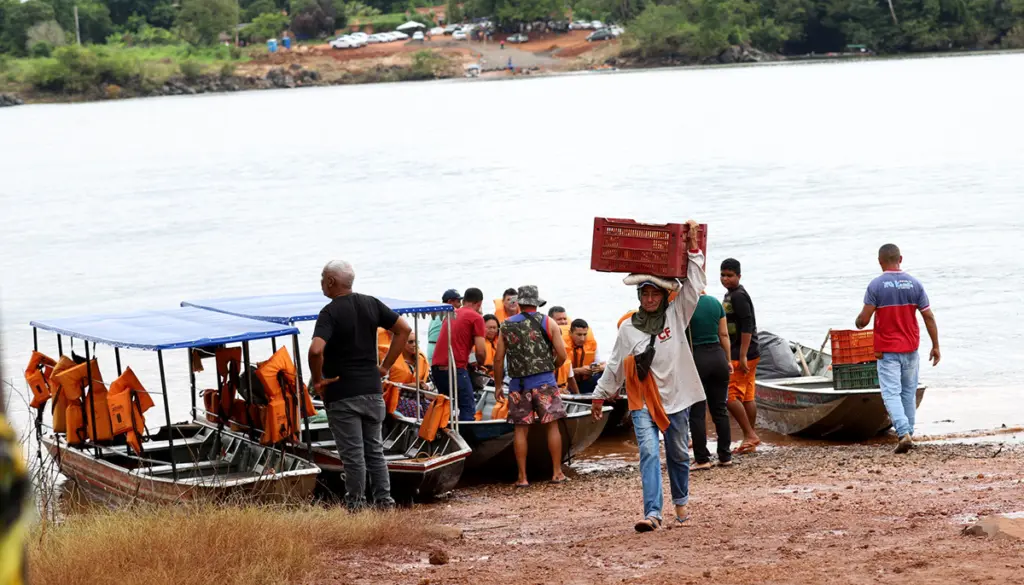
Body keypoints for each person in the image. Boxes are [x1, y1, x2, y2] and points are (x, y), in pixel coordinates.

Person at [592, 220, 706, 532]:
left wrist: (693, 247)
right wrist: (600, 394)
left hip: (677, 396)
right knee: (647, 451)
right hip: (642, 398)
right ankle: (652, 513)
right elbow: (616, 363)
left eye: (655, 294)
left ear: (664, 296)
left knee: (679, 454)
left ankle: (680, 503)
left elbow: (694, 286)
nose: (650, 299)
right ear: (639, 296)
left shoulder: (677, 314)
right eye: (645, 294)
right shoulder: (629, 328)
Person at [308, 260, 411, 511]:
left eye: (322, 278)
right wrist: (384, 367)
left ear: (331, 281)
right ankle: (385, 503)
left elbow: (315, 350)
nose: (321, 282)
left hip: (343, 394)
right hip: (372, 391)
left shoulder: (330, 312)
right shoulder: (371, 303)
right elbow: (404, 329)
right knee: (374, 451)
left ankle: (356, 507)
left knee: (353, 456)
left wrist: (319, 379)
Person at [855, 243, 940, 454]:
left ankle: (903, 433)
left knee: (891, 393)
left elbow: (863, 321)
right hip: (911, 348)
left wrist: (858, 321)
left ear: (880, 262)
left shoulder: (876, 286)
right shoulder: (915, 284)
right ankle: (909, 432)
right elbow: (928, 316)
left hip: (887, 351)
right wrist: (936, 346)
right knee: (908, 393)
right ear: (900, 259)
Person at [494, 285, 569, 487]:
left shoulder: (506, 325)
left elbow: (499, 359)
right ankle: (556, 473)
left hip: (518, 385)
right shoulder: (548, 321)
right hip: (545, 382)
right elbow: (562, 355)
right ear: (536, 302)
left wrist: (498, 385)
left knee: (521, 429)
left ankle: (522, 477)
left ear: (519, 302)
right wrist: (551, 368)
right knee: (552, 426)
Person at [686, 293, 733, 469]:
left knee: (697, 412)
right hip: (718, 357)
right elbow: (724, 334)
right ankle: (725, 456)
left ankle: (702, 459)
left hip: (697, 358)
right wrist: (728, 360)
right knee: (720, 410)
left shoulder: (684, 303)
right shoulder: (714, 303)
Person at [721, 258, 761, 455]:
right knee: (747, 395)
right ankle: (749, 438)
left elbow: (747, 326)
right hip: (748, 352)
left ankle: (750, 435)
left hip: (741, 353)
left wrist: (743, 355)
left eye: (730, 275)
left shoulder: (739, 296)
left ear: (739, 276)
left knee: (729, 396)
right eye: (723, 275)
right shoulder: (731, 294)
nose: (725, 279)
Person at [432, 287, 487, 421]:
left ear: (464, 301)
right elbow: (480, 351)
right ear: (479, 303)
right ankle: (466, 440)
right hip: (455, 370)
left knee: (445, 407)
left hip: (436, 369)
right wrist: (480, 363)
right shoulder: (476, 318)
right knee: (468, 406)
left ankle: (441, 437)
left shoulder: (450, 315)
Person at [566, 318, 605, 394]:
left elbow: (600, 363)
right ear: (570, 333)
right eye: (579, 335)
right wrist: (577, 371)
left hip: (585, 382)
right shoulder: (563, 346)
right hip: (568, 385)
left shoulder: (592, 344)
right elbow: (557, 372)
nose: (582, 339)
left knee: (606, 372)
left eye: (585, 334)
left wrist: (598, 368)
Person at [427, 289, 462, 362]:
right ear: (449, 302)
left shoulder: (437, 313)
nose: (460, 304)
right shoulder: (448, 314)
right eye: (458, 301)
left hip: (432, 348)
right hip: (438, 349)